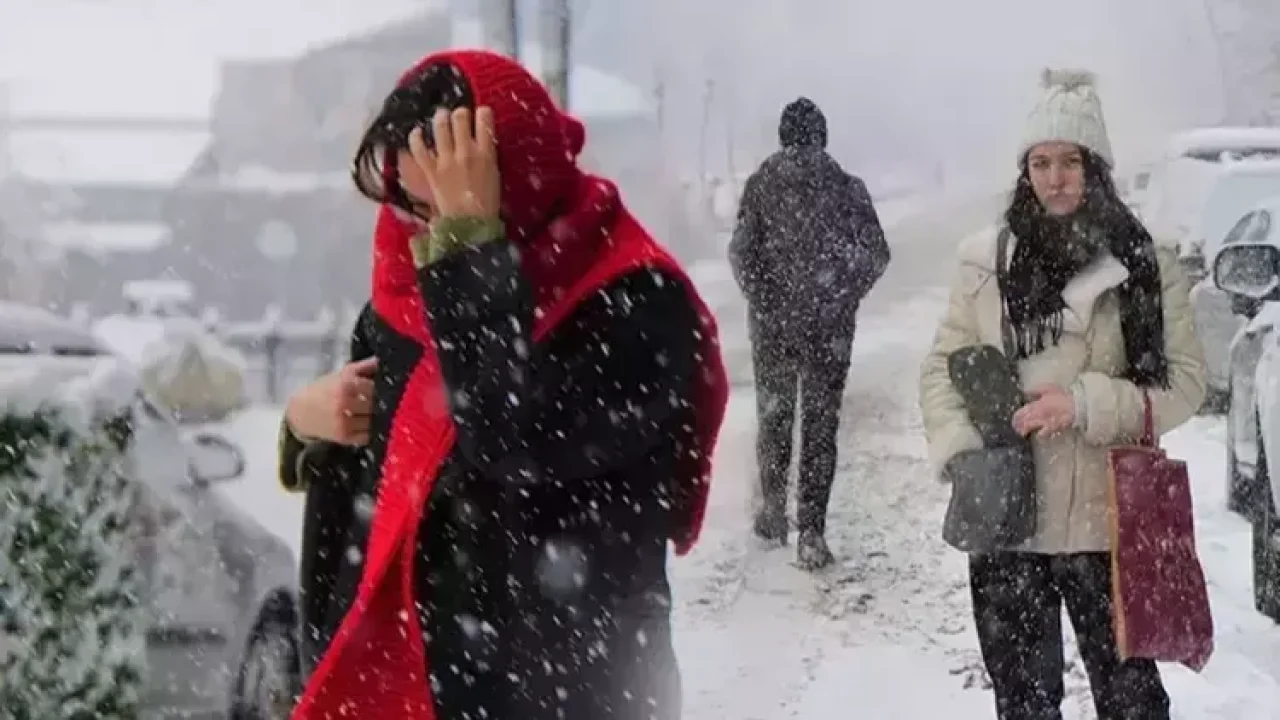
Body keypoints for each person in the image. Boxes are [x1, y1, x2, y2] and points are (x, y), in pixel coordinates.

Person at [276, 49, 729, 720]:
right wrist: (302, 426)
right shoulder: (408, 300)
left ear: (511, 185)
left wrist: (470, 248)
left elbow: (508, 437)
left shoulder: (636, 302)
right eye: (408, 206)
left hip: (571, 695)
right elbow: (375, 503)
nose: (418, 235)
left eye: (444, 206)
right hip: (412, 693)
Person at [919, 68, 1206, 719]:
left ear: (1094, 168)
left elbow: (1185, 382)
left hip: (1107, 520)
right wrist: (963, 454)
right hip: (1007, 517)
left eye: (1070, 162)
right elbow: (940, 369)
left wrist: (1083, 404)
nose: (1054, 179)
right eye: (1040, 163)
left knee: (1132, 702)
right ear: (1025, 171)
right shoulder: (984, 261)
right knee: (1023, 703)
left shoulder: (1145, 261)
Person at [728, 97, 890, 569]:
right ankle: (812, 532)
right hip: (828, 330)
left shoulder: (760, 186)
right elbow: (876, 253)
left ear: (783, 137)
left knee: (775, 418)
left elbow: (742, 252)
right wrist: (841, 296)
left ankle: (773, 513)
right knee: (820, 428)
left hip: (772, 327)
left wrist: (765, 299)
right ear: (822, 136)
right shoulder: (846, 188)